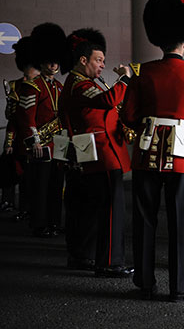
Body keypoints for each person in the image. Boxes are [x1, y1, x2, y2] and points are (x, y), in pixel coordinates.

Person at [121, 0, 184, 301]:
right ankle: (180, 284)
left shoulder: (142, 73)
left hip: (146, 154)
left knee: (144, 218)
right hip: (182, 157)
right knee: (180, 219)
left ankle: (145, 282)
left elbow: (129, 115)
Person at [59, 28, 133, 277]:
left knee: (87, 208)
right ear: (83, 60)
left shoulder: (82, 82)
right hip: (101, 152)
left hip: (91, 150)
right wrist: (125, 79)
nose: (102, 65)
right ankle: (110, 262)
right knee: (111, 208)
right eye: (98, 60)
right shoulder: (80, 83)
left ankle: (83, 255)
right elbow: (108, 101)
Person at [17, 23, 67, 238]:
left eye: (56, 61)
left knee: (56, 186)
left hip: (58, 143)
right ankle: (39, 224)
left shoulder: (59, 87)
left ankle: (54, 222)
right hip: (41, 144)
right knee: (41, 186)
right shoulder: (32, 86)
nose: (54, 64)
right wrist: (34, 141)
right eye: (49, 60)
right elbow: (26, 117)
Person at [2, 37, 40, 220]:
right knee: (14, 172)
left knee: (32, 179)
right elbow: (12, 117)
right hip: (21, 139)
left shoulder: (45, 85)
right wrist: (9, 141)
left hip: (40, 137)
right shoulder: (16, 85)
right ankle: (12, 203)